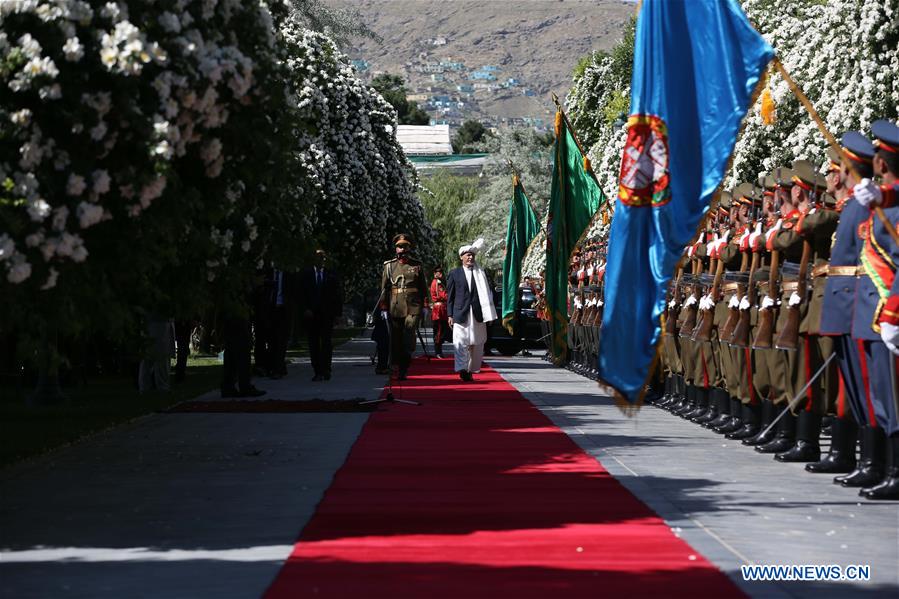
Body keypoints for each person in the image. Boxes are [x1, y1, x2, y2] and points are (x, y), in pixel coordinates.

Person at [378, 234, 428, 380]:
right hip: (395, 307)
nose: (402, 249)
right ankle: (398, 365)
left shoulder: (416, 265)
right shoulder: (389, 266)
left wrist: (425, 305)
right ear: (396, 249)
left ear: (409, 248)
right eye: (400, 247)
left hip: (413, 307)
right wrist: (383, 307)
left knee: (408, 336)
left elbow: (422, 286)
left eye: (405, 246)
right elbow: (384, 289)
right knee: (396, 339)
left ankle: (404, 368)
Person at [446, 238, 497, 382]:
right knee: (460, 342)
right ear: (461, 257)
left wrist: (489, 313)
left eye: (472, 255)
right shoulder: (454, 273)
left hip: (478, 314)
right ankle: (462, 369)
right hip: (460, 313)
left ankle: (470, 369)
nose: (470, 257)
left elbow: (489, 294)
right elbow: (450, 296)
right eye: (467, 255)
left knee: (478, 342)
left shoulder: (481, 274)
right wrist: (450, 314)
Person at [299, 249, 343, 382]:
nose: (321, 260)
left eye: (323, 258)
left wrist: (337, 314)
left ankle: (326, 369)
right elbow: (301, 293)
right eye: (318, 258)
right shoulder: (306, 275)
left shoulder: (331, 275)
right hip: (311, 315)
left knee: (326, 343)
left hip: (326, 315)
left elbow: (337, 295)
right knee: (313, 344)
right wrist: (305, 309)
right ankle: (317, 370)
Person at [430, 266, 450, 358]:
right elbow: (442, 295)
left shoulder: (440, 282)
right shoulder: (437, 283)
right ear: (435, 274)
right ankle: (438, 352)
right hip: (439, 310)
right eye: (438, 272)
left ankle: (439, 351)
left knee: (441, 330)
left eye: (441, 272)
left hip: (441, 309)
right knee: (438, 331)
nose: (441, 274)